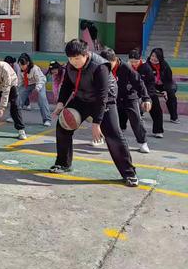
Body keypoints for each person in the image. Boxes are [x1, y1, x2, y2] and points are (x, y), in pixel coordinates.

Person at [50, 39, 138, 187]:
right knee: (63, 126)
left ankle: (129, 173)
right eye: (70, 58)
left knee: (114, 135)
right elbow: (67, 84)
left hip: (104, 100)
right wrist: (60, 103)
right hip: (82, 98)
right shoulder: (70, 66)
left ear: (86, 54)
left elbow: (102, 96)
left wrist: (97, 123)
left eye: (77, 58)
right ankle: (63, 163)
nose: (74, 61)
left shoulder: (100, 67)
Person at [100, 48, 151, 153]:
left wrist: (146, 98)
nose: (106, 67)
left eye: (108, 64)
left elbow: (139, 82)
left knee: (136, 119)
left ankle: (143, 142)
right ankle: (106, 138)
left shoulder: (126, 67)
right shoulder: (102, 68)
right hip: (112, 98)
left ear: (115, 60)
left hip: (129, 97)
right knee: (107, 118)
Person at [128, 49, 164, 137]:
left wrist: (147, 96)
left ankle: (158, 130)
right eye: (131, 62)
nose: (134, 64)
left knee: (156, 109)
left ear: (140, 59)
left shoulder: (146, 68)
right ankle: (121, 127)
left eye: (136, 62)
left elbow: (151, 83)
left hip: (147, 91)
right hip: (131, 91)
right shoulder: (126, 67)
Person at [18, 55, 51, 127]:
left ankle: (47, 119)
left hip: (39, 83)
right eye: (20, 65)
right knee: (19, 97)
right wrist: (18, 88)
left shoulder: (35, 69)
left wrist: (38, 88)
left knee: (42, 98)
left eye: (23, 65)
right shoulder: (19, 69)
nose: (21, 67)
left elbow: (40, 80)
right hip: (28, 84)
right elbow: (20, 81)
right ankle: (14, 116)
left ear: (28, 63)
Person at [148, 48, 179, 124]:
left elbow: (168, 81)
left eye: (156, 57)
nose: (154, 58)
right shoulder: (146, 65)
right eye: (152, 56)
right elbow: (145, 80)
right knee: (145, 94)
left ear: (160, 58)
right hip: (151, 85)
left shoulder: (165, 66)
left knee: (171, 95)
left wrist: (165, 90)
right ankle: (141, 112)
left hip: (165, 85)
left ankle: (174, 117)